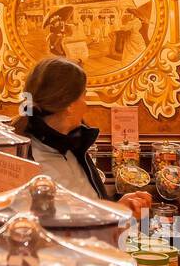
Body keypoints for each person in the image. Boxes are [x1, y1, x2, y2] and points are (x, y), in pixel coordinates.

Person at [11, 56, 150, 219]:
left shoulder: (74, 147)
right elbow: (52, 227)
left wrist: (118, 208)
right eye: (84, 95)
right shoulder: (23, 158)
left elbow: (87, 211)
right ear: (69, 105)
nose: (87, 104)